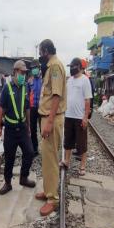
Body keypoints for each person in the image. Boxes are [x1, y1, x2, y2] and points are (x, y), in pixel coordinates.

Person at [35, 39, 67, 216]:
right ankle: (48, 192)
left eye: (41, 52)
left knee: (52, 158)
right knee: (46, 158)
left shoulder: (54, 67)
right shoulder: (53, 65)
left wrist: (49, 121)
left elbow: (56, 96)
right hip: (48, 117)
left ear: (46, 50)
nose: (40, 56)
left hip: (51, 118)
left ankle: (53, 199)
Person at [0, 60, 36, 195]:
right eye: (21, 72)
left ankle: (23, 177)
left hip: (23, 128)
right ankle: (7, 183)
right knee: (9, 158)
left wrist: (29, 126)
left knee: (30, 152)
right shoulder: (7, 87)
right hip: (10, 130)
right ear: (15, 72)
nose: (23, 75)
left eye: (25, 73)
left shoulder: (26, 87)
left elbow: (27, 108)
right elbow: (1, 109)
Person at [61, 58, 93, 176]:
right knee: (68, 141)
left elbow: (87, 100)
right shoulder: (69, 81)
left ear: (79, 67)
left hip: (79, 117)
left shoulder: (85, 80)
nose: (71, 68)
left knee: (81, 143)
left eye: (73, 66)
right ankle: (66, 161)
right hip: (68, 115)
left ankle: (82, 166)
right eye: (70, 66)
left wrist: (85, 117)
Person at [28, 59, 43, 156]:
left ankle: (45, 148)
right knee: (33, 129)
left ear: (39, 68)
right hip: (32, 107)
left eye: (35, 68)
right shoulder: (29, 80)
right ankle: (34, 149)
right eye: (32, 68)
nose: (34, 70)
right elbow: (27, 94)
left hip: (42, 108)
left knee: (43, 129)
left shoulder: (44, 79)